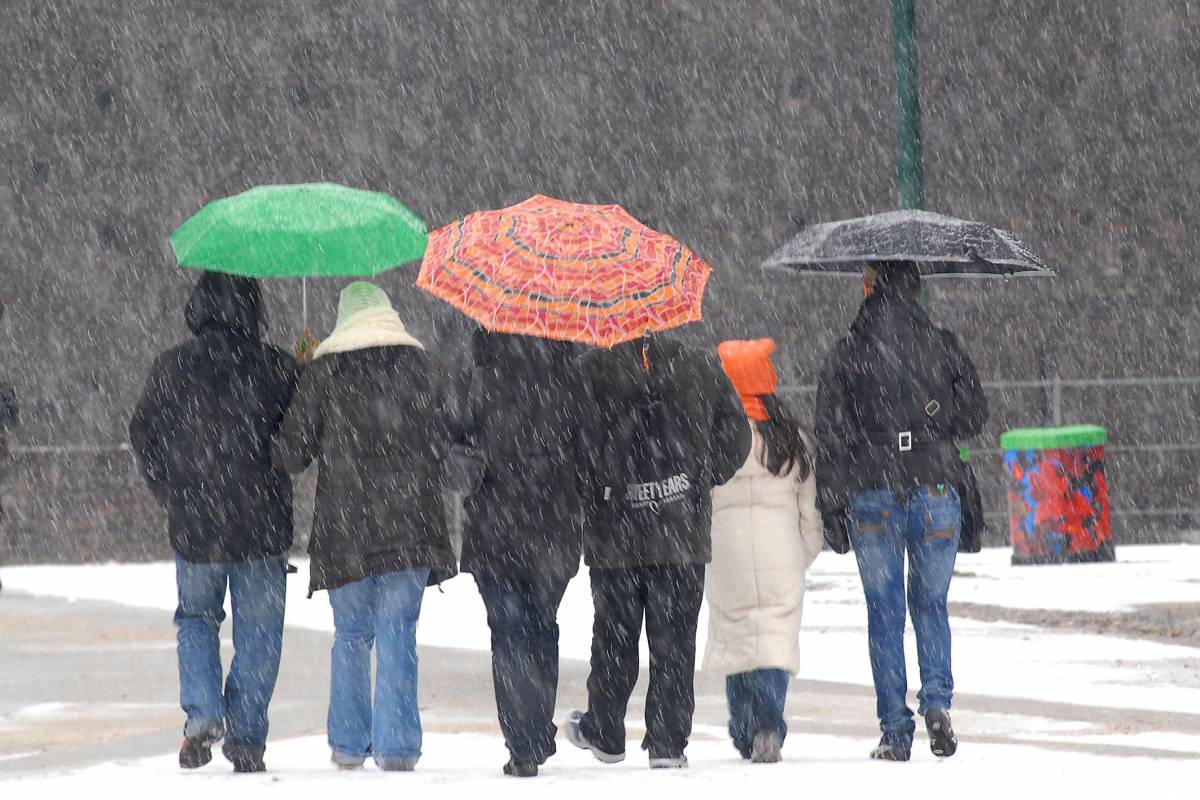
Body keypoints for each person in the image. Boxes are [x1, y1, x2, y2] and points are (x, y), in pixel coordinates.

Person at [271, 281, 457, 773]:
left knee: (352, 633)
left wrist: (302, 375)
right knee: (398, 631)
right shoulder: (428, 370)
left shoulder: (325, 374)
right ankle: (396, 746)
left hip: (345, 530)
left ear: (343, 322)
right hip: (412, 527)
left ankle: (350, 743)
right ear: (389, 316)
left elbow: (291, 454)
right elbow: (451, 442)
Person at [814, 261, 988, 762]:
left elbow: (831, 433)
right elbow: (974, 416)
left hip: (872, 490)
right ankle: (937, 700)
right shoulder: (944, 344)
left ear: (870, 288)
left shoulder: (847, 352)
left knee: (884, 613)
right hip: (935, 485)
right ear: (915, 289)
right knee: (931, 605)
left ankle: (894, 728)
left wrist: (832, 503)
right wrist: (932, 421)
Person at [129, 273, 296, 773]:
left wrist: (170, 492)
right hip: (262, 525)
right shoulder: (278, 368)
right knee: (260, 632)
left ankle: (202, 713)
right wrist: (305, 369)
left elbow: (143, 435)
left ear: (196, 310)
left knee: (197, 620)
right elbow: (297, 437)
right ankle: (246, 734)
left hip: (196, 524)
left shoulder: (171, 368)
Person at [566, 333, 751, 769]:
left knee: (614, 636)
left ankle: (606, 729)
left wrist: (597, 489)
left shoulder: (592, 371)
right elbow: (737, 436)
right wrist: (700, 477)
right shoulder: (700, 366)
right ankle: (668, 741)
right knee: (674, 641)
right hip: (680, 533)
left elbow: (570, 446)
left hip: (616, 532)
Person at [454, 329, 588, 778]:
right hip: (554, 528)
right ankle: (534, 729)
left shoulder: (478, 380)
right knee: (540, 627)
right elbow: (588, 452)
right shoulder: (572, 380)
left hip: (494, 530)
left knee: (507, 633)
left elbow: (452, 450)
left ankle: (522, 740)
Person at [702, 339, 822, 764]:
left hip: (727, 550)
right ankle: (769, 722)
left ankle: (742, 729)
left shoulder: (713, 437)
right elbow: (808, 509)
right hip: (781, 551)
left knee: (737, 637)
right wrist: (804, 552)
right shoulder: (792, 439)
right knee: (774, 638)